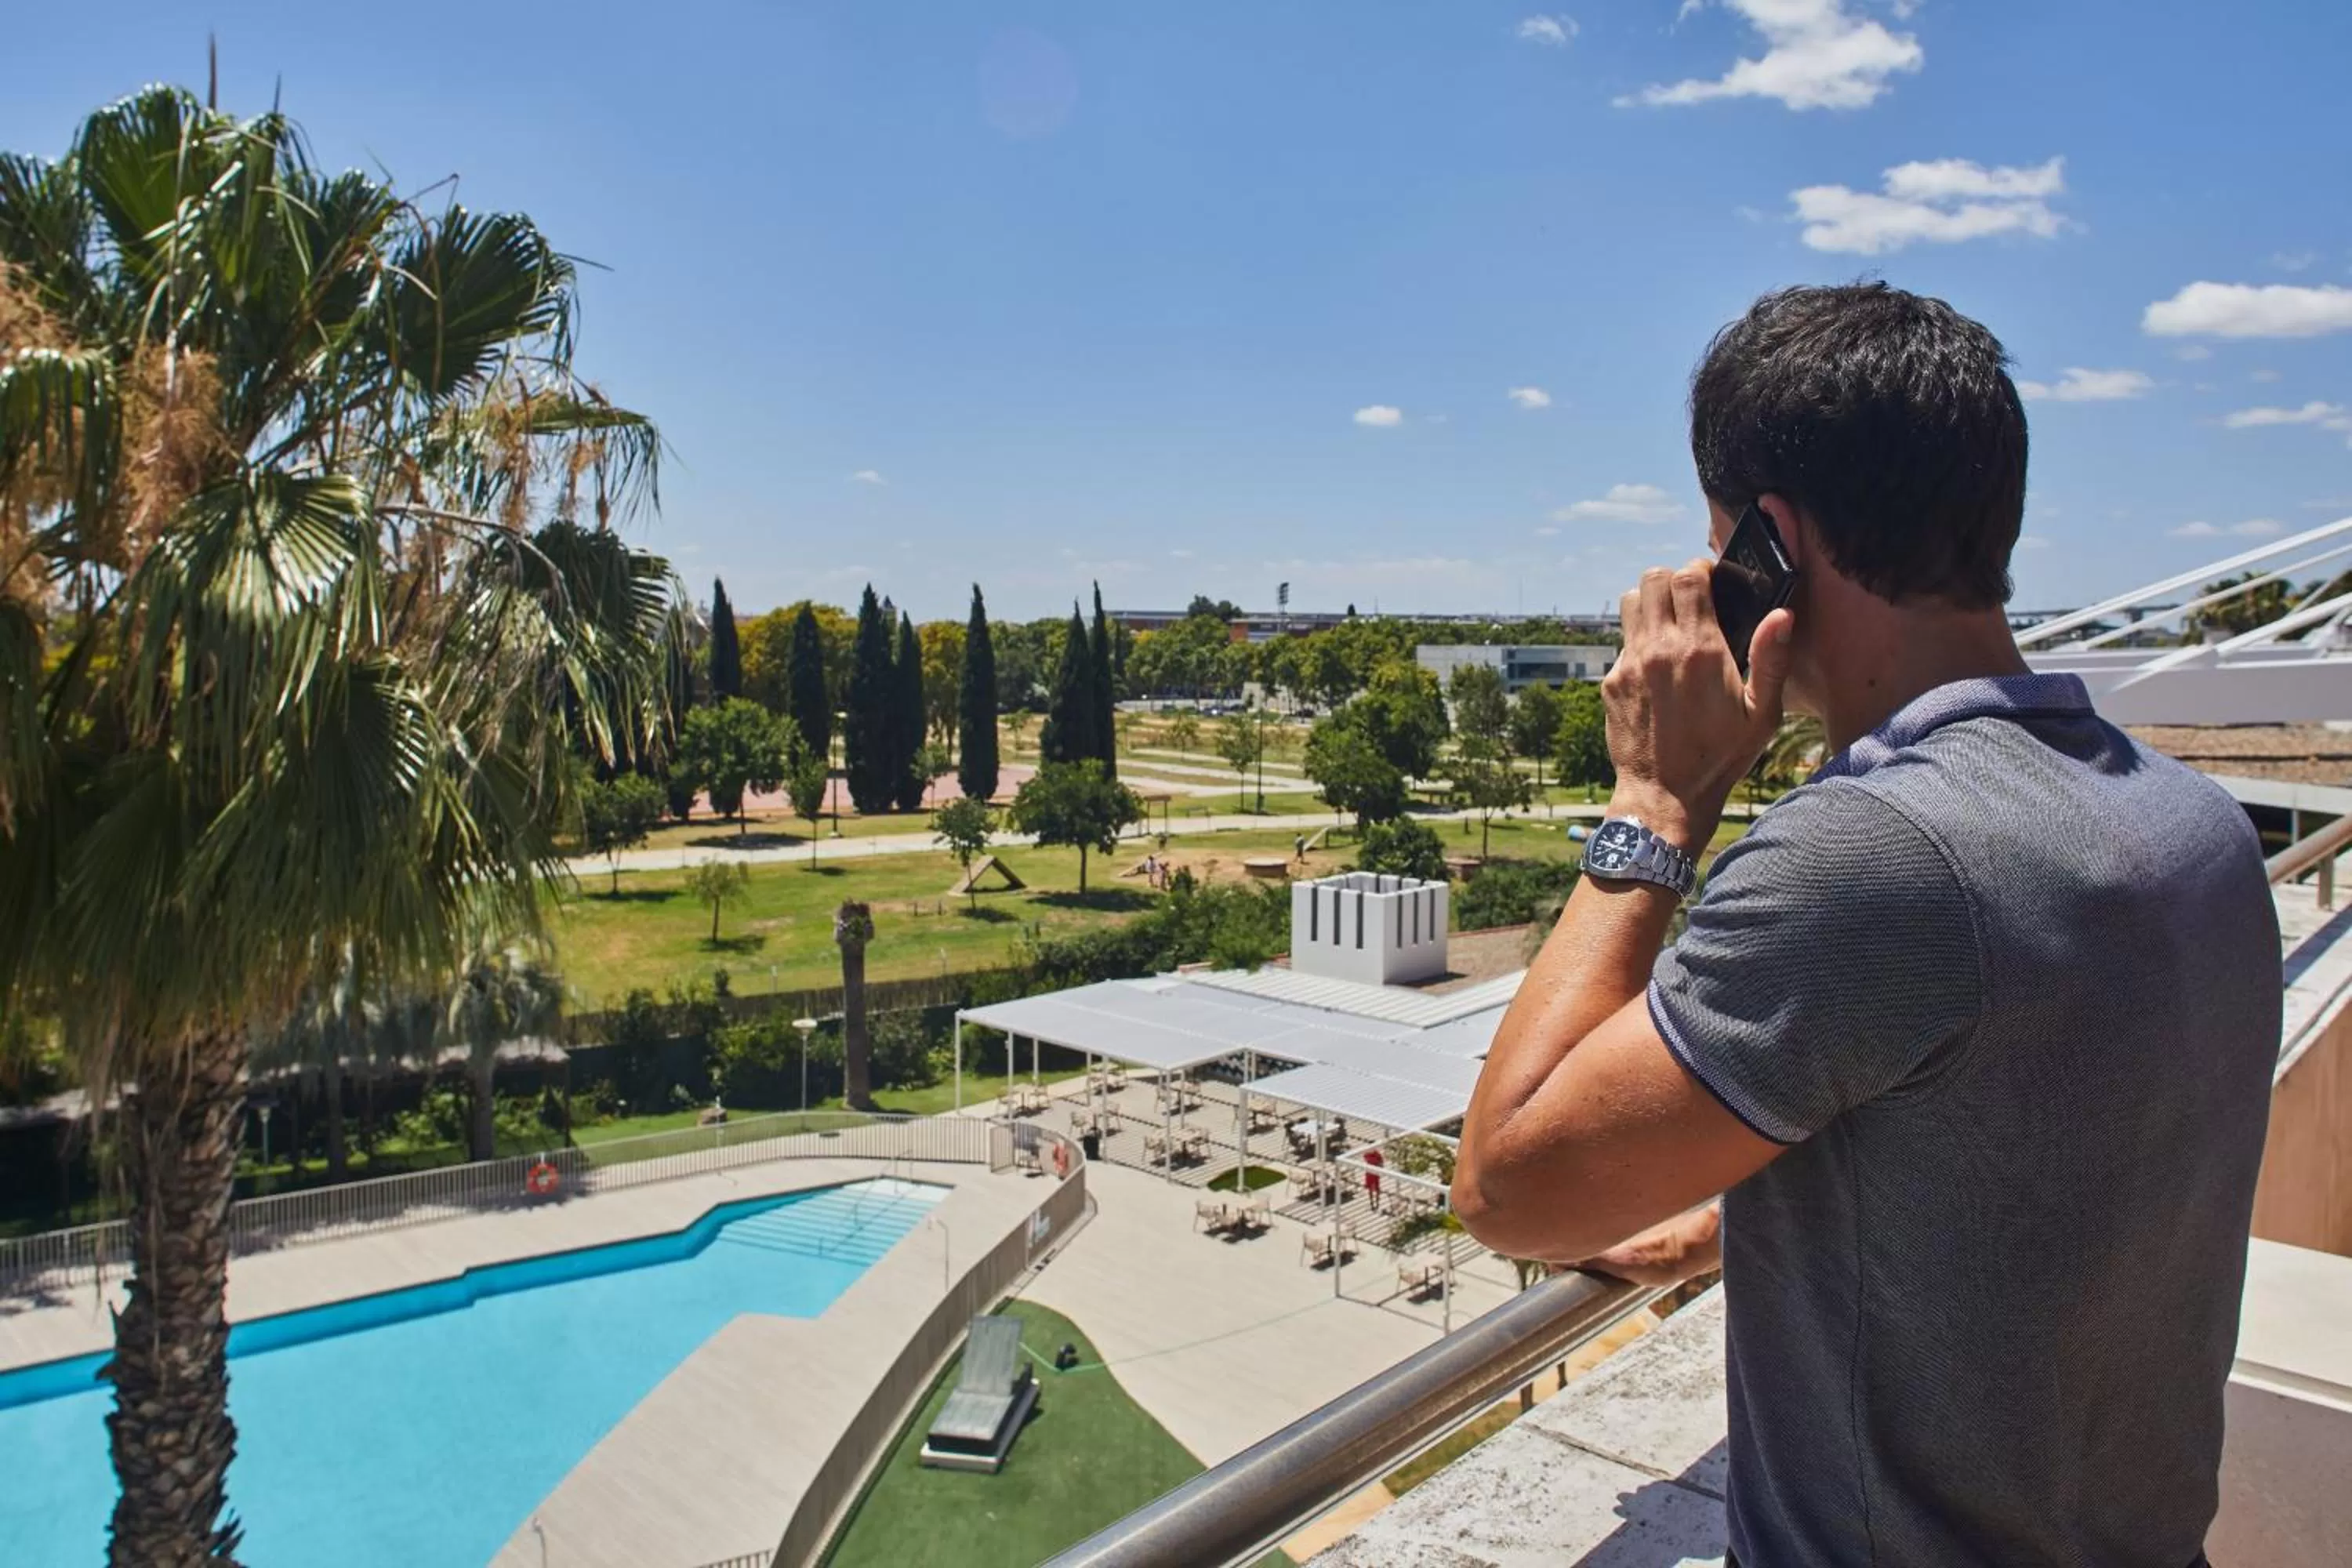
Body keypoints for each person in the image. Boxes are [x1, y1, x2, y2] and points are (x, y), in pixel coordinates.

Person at [1452, 283, 2278, 1568]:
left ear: (1772, 545)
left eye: (1719, 541)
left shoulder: (1871, 857)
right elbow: (2033, 1144)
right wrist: (1754, 1217)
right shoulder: (2198, 827)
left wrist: (1657, 803)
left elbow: (1510, 1189)